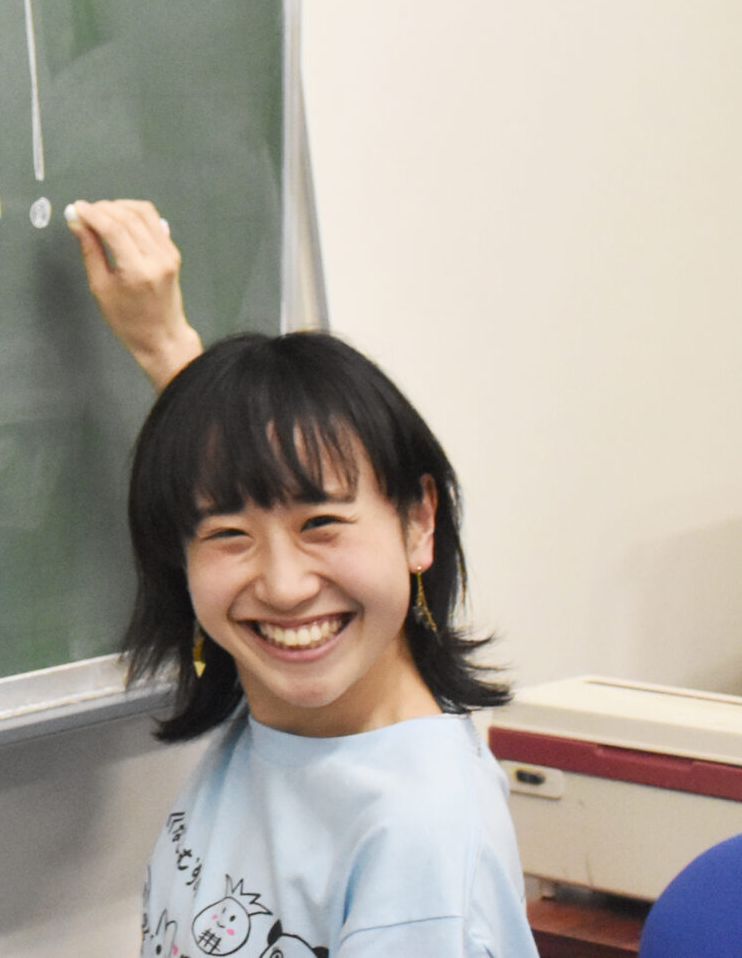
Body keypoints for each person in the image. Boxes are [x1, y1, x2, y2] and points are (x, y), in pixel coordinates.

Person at [65, 200, 537, 958]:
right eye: (229, 536)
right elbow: (241, 479)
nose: (283, 586)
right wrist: (164, 345)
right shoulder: (290, 715)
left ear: (419, 522)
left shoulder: (419, 840)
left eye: (322, 524)